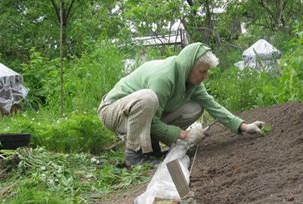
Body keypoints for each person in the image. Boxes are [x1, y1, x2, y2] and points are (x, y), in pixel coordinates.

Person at [97, 42, 265, 166]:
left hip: (140, 115)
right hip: (113, 112)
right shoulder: (164, 77)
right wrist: (184, 135)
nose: (205, 76)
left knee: (196, 107)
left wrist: (243, 126)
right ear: (188, 66)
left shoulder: (192, 82)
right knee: (149, 98)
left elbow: (213, 106)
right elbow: (153, 119)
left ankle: (151, 149)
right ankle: (133, 156)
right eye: (202, 71)